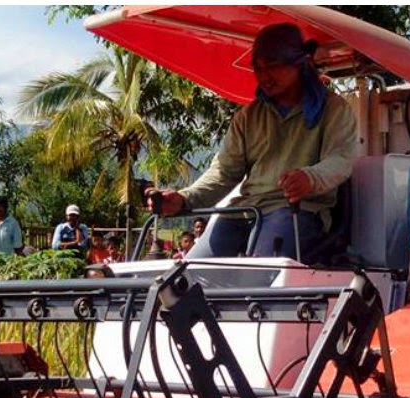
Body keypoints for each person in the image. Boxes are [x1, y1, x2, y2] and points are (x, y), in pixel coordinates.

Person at [146, 22, 355, 260]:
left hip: (298, 211)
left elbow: (341, 160)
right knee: (191, 271)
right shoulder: (248, 116)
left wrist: (310, 178)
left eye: (274, 66)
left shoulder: (334, 108)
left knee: (259, 272)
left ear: (300, 63)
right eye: (258, 68)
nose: (265, 76)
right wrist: (184, 198)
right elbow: (224, 173)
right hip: (244, 211)